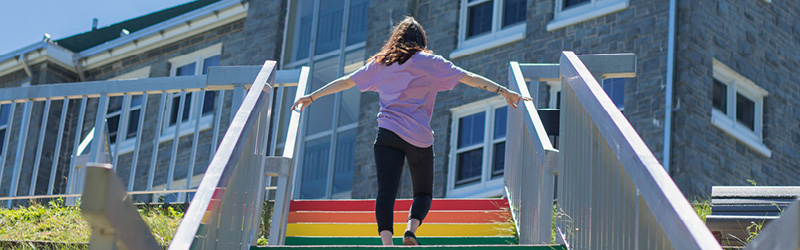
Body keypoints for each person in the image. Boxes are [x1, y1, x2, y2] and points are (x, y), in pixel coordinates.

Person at [291, 16, 530, 246]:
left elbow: (346, 81)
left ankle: (387, 244)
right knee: (423, 193)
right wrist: (503, 91)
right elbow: (470, 78)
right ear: (421, 41)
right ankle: (410, 229)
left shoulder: (380, 64)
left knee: (386, 190)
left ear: (395, 38)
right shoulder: (433, 63)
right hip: (419, 138)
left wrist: (312, 96)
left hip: (387, 133)